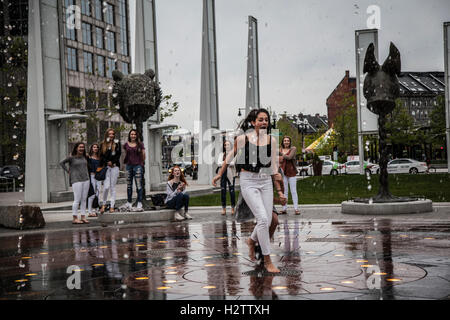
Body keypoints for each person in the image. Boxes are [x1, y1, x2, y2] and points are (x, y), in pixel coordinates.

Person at [213, 108, 284, 273]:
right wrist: (219, 174)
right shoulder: (243, 139)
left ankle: (251, 241)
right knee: (263, 219)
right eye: (260, 119)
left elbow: (273, 165)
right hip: (249, 181)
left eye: (266, 119)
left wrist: (279, 188)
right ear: (253, 122)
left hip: (265, 181)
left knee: (265, 220)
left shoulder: (272, 140)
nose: (264, 122)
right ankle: (267, 261)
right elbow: (229, 156)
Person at [60, 142, 91, 225]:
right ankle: (75, 217)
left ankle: (83, 217)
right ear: (76, 148)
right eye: (80, 147)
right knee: (77, 199)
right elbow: (61, 163)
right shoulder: (71, 157)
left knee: (84, 199)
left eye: (83, 147)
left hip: (86, 179)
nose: (81, 149)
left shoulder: (85, 156)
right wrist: (68, 171)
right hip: (76, 180)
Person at [99, 128, 121, 213]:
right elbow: (102, 156)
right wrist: (107, 162)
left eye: (112, 134)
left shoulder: (117, 143)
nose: (111, 136)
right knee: (106, 187)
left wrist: (113, 162)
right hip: (106, 167)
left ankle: (112, 206)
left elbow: (118, 155)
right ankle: (103, 205)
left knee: (112, 187)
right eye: (109, 134)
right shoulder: (103, 144)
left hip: (115, 167)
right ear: (107, 135)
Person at [123, 129, 146, 211]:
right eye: (131, 134)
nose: (133, 136)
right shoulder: (126, 144)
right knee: (129, 185)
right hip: (129, 166)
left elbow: (143, 154)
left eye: (134, 134)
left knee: (139, 185)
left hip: (138, 166)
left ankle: (139, 202)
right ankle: (129, 202)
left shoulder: (140, 144)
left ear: (136, 136)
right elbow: (125, 154)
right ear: (129, 135)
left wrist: (141, 163)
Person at [279, 136, 300, 215]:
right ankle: (284, 208)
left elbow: (289, 157)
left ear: (290, 142)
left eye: (288, 141)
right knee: (285, 191)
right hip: (283, 172)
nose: (286, 142)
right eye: (285, 141)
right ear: (283, 142)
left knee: (293, 191)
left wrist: (280, 154)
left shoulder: (293, 149)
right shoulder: (280, 149)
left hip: (291, 172)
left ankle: (296, 208)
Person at [217, 139, 236, 215]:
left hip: (231, 173)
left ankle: (232, 208)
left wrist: (224, 163)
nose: (226, 146)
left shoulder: (233, 153)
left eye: (228, 144)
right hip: (223, 174)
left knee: (232, 191)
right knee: (223, 191)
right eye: (225, 145)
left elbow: (233, 163)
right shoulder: (221, 154)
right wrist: (227, 163)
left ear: (231, 145)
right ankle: (224, 209)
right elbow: (218, 163)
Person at [87, 143, 102, 217]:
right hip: (92, 176)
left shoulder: (100, 157)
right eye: (94, 147)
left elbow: (101, 167)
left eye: (97, 147)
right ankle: (90, 211)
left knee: (98, 193)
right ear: (92, 148)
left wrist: (98, 171)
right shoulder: (89, 157)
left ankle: (96, 210)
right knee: (92, 194)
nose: (95, 148)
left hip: (98, 177)